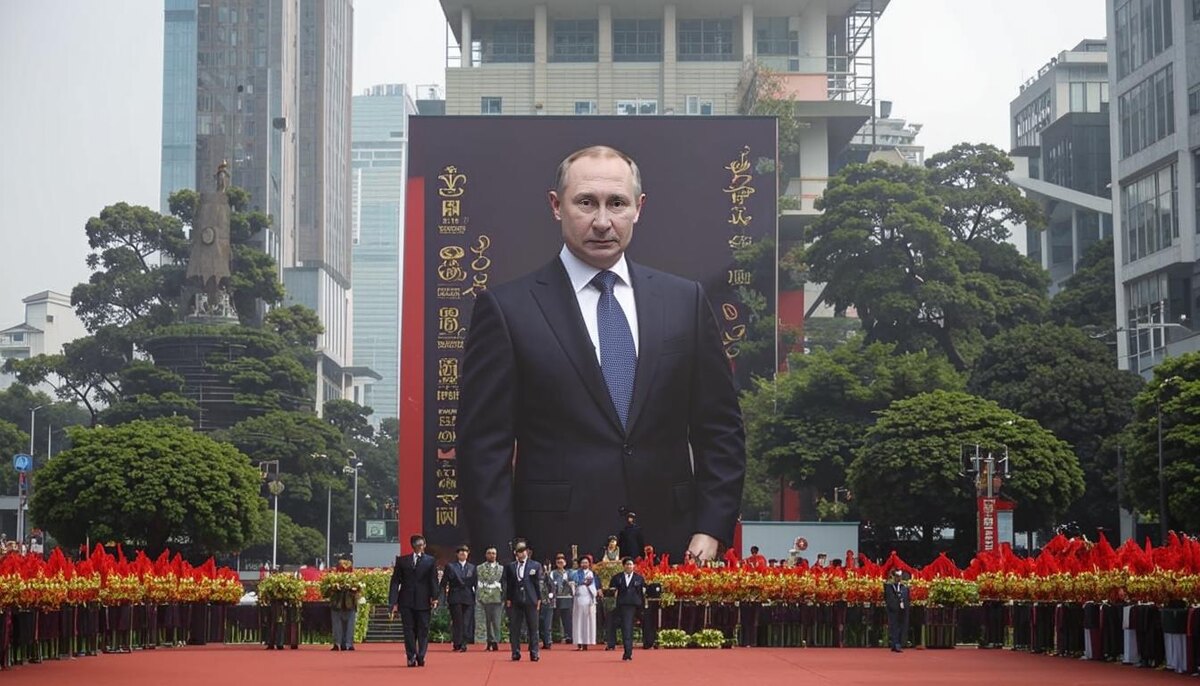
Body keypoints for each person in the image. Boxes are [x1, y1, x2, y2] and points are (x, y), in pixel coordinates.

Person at [457, 144, 746, 564]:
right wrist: (503, 560)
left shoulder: (685, 301)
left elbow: (720, 429)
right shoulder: (507, 310)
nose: (602, 221)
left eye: (617, 203)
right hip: (550, 553)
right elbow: (483, 450)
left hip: (675, 548)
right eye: (586, 203)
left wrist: (711, 528)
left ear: (639, 208)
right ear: (556, 206)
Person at [388, 534, 439, 667]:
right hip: (406, 601)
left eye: (422, 544)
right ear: (413, 546)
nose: (420, 547)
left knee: (423, 629)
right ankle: (411, 656)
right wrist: (392, 602)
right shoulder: (402, 561)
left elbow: (433, 581)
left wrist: (435, 598)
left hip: (423, 601)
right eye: (418, 544)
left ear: (425, 545)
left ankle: (421, 655)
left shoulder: (430, 561)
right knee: (408, 630)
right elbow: (394, 583)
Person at [503, 540, 542, 662]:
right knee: (514, 628)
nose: (521, 554)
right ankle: (515, 652)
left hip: (531, 599)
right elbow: (508, 584)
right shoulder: (510, 566)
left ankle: (534, 652)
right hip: (515, 600)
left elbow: (537, 584)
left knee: (533, 628)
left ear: (527, 552)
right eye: (519, 552)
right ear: (516, 553)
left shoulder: (535, 565)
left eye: (523, 551)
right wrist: (508, 599)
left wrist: (539, 599)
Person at [441, 544, 477, 652]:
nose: (463, 553)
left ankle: (464, 643)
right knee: (457, 621)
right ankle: (457, 643)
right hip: (455, 597)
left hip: (468, 597)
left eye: (465, 551)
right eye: (461, 552)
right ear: (457, 554)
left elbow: (475, 584)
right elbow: (444, 583)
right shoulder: (450, 567)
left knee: (466, 622)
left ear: (468, 554)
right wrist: (441, 598)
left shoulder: (472, 567)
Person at [608, 557, 645, 661]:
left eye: (631, 564)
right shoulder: (617, 578)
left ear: (634, 566)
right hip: (622, 605)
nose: (629, 566)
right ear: (623, 566)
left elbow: (642, 593)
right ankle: (624, 650)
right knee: (625, 628)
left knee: (630, 628)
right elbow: (611, 591)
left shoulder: (639, 578)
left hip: (635, 605)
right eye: (627, 564)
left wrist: (642, 607)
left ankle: (630, 651)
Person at [328, 556, 361, 652]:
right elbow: (327, 590)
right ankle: (337, 643)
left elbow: (359, 590)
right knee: (336, 625)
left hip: (349, 603)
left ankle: (348, 644)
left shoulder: (354, 579)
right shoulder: (333, 578)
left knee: (350, 625)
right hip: (337, 603)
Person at [476, 546, 504, 652]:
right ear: (486, 555)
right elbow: (480, 582)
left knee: (496, 621)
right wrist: (481, 596)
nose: (492, 555)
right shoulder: (480, 568)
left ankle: (495, 641)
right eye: (489, 553)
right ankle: (489, 642)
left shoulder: (501, 568)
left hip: (497, 598)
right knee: (486, 622)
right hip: (485, 597)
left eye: (493, 553)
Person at [571, 556, 597, 650]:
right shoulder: (575, 573)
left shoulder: (592, 574)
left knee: (587, 622)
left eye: (586, 562)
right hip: (579, 599)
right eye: (582, 562)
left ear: (589, 564)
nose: (584, 564)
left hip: (588, 599)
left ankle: (587, 642)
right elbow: (573, 584)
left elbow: (594, 585)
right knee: (578, 621)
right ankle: (579, 643)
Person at [548, 553, 574, 644]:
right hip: (555, 598)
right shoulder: (552, 573)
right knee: (554, 618)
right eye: (558, 562)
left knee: (567, 618)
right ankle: (554, 636)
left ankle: (569, 636)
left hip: (566, 598)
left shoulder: (569, 573)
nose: (560, 563)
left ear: (565, 563)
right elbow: (550, 584)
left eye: (561, 562)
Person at [884, 568, 910, 653]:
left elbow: (907, 599)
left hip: (903, 610)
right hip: (893, 610)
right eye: (897, 576)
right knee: (894, 627)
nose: (898, 578)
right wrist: (894, 607)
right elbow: (888, 599)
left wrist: (904, 607)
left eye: (900, 576)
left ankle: (897, 644)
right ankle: (896, 644)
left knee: (901, 627)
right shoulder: (889, 587)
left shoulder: (905, 588)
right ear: (894, 577)